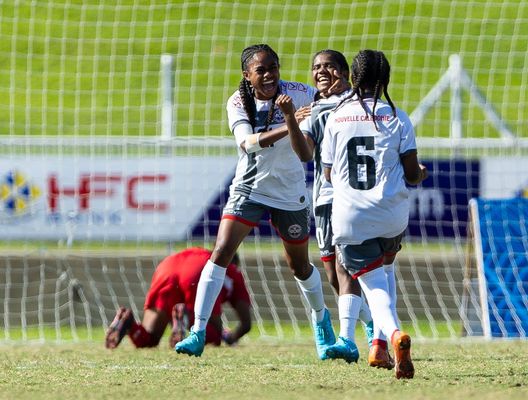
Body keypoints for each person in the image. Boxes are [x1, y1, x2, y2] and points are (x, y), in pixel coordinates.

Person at [175, 44, 335, 360]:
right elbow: (247, 144)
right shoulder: (238, 102)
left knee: (299, 265)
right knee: (221, 251)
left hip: (289, 191)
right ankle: (198, 331)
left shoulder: (299, 94)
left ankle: (322, 322)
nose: (269, 75)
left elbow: (323, 115)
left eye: (273, 67)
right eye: (260, 70)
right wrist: (287, 122)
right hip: (249, 188)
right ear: (247, 75)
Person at [321, 49, 428, 379]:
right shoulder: (398, 117)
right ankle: (378, 345)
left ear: (352, 79)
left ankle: (394, 334)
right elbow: (411, 174)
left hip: (352, 216)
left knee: (373, 285)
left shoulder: (337, 118)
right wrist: (419, 173)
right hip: (392, 214)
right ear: (385, 81)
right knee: (385, 271)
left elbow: (326, 174)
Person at [284, 49, 393, 368]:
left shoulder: (356, 106)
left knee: (351, 270)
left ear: (346, 74)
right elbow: (306, 153)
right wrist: (292, 118)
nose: (321, 72)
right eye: (316, 67)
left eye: (329, 66)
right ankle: (374, 328)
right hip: (323, 201)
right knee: (334, 273)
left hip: (351, 199)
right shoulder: (315, 108)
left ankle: (361, 336)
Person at [104, 247, 251, 349]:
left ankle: (128, 321)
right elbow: (246, 324)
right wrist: (230, 337)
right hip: (200, 270)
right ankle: (185, 314)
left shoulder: (197, 253)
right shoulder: (230, 270)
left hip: (167, 267)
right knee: (213, 335)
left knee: (149, 340)